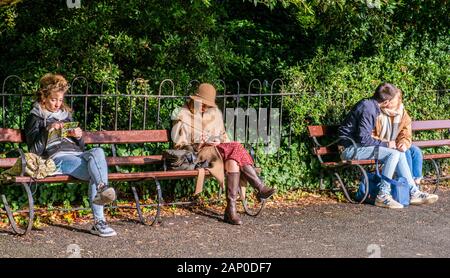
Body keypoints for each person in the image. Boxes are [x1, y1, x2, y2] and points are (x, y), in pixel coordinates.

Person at [24, 73, 117, 237]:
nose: (57, 104)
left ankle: (102, 188)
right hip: (58, 158)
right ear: (44, 97)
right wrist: (47, 131)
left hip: (77, 155)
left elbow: (81, 147)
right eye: (53, 99)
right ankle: (99, 221)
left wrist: (79, 136)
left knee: (98, 152)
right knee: (96, 171)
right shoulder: (35, 117)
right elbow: (33, 151)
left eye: (60, 100)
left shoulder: (66, 115)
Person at [171, 83, 276, 225]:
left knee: (233, 160)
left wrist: (217, 140)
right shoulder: (182, 115)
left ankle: (230, 210)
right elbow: (179, 144)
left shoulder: (213, 113)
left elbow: (223, 136)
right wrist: (199, 143)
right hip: (198, 154)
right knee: (236, 147)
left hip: (218, 151)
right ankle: (259, 187)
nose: (205, 107)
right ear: (194, 100)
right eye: (202, 104)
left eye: (207, 105)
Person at [338, 82, 437, 209]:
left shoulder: (371, 106)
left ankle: (413, 192)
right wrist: (386, 144)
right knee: (393, 152)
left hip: (357, 146)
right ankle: (383, 195)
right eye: (395, 99)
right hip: (349, 149)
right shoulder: (368, 108)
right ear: (386, 102)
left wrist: (392, 144)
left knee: (398, 151)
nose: (398, 101)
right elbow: (364, 139)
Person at [372, 89, 423, 186]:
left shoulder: (402, 113)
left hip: (395, 144)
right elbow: (371, 135)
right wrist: (386, 143)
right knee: (405, 152)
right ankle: (408, 185)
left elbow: (405, 133)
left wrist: (403, 143)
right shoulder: (377, 113)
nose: (393, 103)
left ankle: (416, 182)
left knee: (415, 151)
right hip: (381, 145)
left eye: (396, 100)